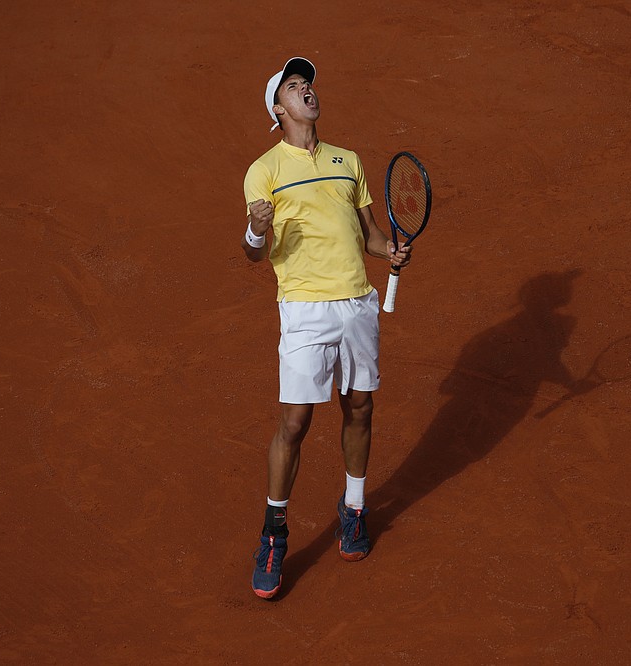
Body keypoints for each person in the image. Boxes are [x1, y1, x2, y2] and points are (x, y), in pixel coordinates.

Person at [242, 56, 412, 599]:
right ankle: (273, 532)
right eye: (295, 87)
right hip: (305, 310)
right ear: (279, 109)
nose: (307, 91)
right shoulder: (263, 169)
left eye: (309, 83)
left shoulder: (348, 160)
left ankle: (354, 508)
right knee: (294, 422)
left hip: (357, 305)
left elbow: (369, 235)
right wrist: (254, 228)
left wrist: (393, 249)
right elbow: (253, 251)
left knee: (360, 406)